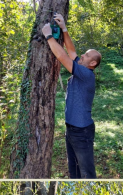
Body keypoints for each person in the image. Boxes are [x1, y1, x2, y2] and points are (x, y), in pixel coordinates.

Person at [41, 13, 101, 179]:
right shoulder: (82, 67)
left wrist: (48, 36)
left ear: (92, 63)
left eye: (87, 55)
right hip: (72, 129)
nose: (82, 56)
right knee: (74, 171)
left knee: (87, 173)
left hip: (82, 132)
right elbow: (72, 51)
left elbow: (63, 57)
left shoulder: (86, 74)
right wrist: (64, 29)